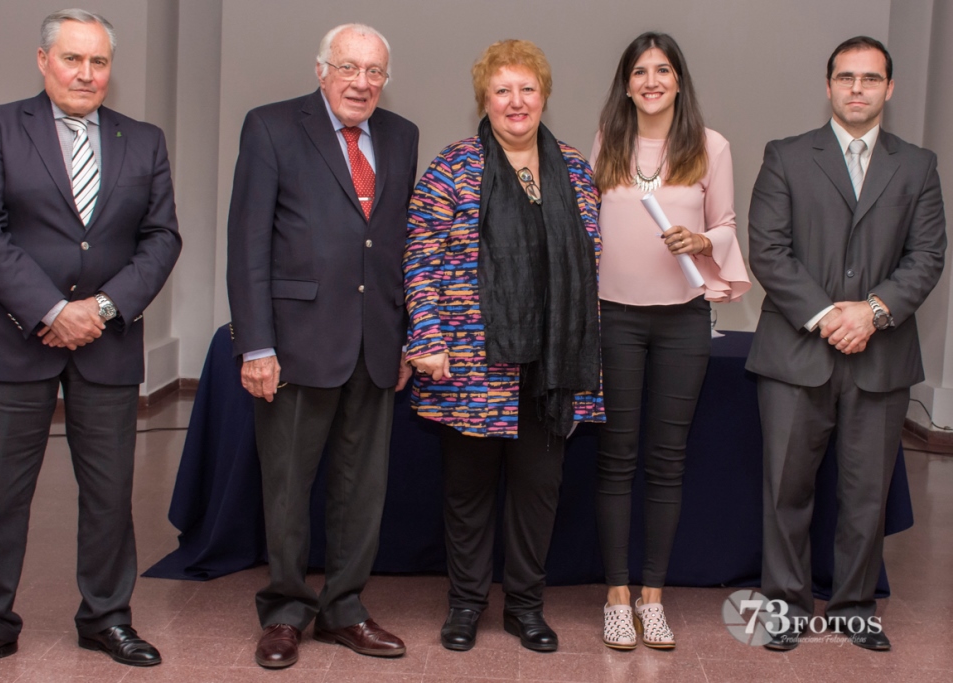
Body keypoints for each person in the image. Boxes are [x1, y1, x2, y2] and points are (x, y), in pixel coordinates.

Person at [0, 9, 181, 680]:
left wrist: (100, 308)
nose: (86, 73)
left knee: (110, 491)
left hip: (106, 340)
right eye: (73, 59)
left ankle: (107, 617)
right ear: (43, 61)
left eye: (98, 61)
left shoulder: (144, 139)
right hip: (16, 338)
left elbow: (162, 237)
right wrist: (50, 309)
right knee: (2, 494)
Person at [226, 23, 418, 670]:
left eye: (374, 72)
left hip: (375, 342)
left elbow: (393, 247)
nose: (362, 82)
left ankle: (344, 608)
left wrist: (403, 334)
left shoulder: (402, 135)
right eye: (349, 68)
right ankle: (285, 610)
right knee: (286, 487)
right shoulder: (272, 127)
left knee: (362, 490)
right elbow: (247, 243)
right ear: (320, 70)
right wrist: (256, 344)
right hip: (295, 342)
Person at [404, 39, 603, 654]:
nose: (516, 102)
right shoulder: (455, 167)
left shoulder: (572, 168)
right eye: (502, 90)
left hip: (552, 366)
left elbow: (591, 263)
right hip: (469, 363)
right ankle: (465, 605)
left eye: (527, 89)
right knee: (468, 494)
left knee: (539, 492)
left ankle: (524, 606)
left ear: (543, 96)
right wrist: (428, 336)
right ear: (483, 100)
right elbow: (419, 256)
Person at [747, 36, 945, 652]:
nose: (856, 88)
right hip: (795, 356)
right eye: (845, 77)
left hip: (881, 358)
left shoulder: (917, 165)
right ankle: (784, 607)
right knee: (786, 491)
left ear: (889, 88)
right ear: (828, 85)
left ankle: (856, 608)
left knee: (866, 496)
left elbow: (928, 256)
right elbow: (769, 252)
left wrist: (874, 313)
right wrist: (834, 316)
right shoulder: (784, 156)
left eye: (870, 78)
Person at [589, 32, 750, 650]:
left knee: (666, 460)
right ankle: (617, 594)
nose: (651, 80)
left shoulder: (711, 147)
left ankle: (652, 597)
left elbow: (726, 225)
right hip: (615, 318)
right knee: (616, 458)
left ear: (679, 80)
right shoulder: (608, 144)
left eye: (662, 70)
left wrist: (702, 241)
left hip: (683, 318)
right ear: (626, 84)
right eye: (639, 71)